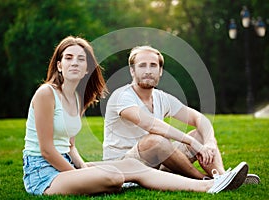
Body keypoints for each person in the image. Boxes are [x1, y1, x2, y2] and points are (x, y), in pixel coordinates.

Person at [23, 36, 249, 196]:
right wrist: (76, 175)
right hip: (42, 173)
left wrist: (82, 169)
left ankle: (214, 182)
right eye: (69, 58)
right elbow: (46, 150)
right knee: (116, 176)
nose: (74, 62)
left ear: (86, 70)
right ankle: (207, 181)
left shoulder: (76, 98)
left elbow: (70, 145)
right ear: (59, 65)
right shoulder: (46, 93)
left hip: (70, 163)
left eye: (80, 60)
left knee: (136, 166)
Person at [103, 45, 260, 183]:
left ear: (160, 71)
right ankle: (205, 180)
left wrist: (209, 141)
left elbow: (199, 118)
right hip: (123, 166)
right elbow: (151, 124)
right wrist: (192, 143)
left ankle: (223, 176)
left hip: (155, 165)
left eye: (153, 65)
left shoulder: (161, 97)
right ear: (132, 70)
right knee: (157, 140)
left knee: (200, 133)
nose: (148, 71)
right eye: (142, 66)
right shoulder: (122, 96)